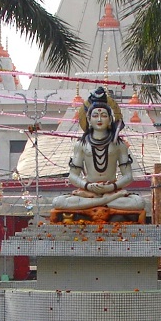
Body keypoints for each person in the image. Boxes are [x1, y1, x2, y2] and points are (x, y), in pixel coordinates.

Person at [51, 87, 146, 222]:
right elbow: (73, 176)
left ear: (110, 120)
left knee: (138, 202)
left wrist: (112, 187)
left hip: (112, 190)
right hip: (88, 192)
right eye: (95, 115)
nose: (99, 119)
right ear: (88, 120)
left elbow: (128, 176)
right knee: (58, 202)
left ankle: (101, 200)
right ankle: (104, 201)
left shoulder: (119, 144)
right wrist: (87, 186)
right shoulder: (81, 144)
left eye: (104, 115)